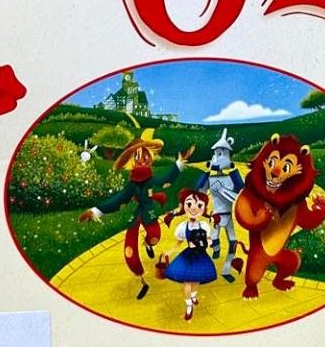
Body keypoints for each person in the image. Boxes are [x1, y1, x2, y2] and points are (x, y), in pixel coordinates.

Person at [79, 128, 192, 300]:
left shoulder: (151, 179)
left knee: (155, 237)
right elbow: (118, 199)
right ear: (132, 160)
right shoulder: (131, 184)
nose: (142, 159)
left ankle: (148, 244)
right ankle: (142, 281)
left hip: (149, 212)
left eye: (145, 155)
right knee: (130, 249)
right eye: (137, 156)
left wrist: (179, 163)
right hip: (137, 214)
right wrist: (96, 211)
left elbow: (165, 178)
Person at [157, 188, 217, 321]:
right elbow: (179, 242)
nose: (194, 209)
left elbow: (208, 239)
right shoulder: (183, 227)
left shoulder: (204, 225)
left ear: (204, 209)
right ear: (183, 206)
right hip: (188, 256)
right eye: (189, 204)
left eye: (199, 205)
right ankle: (189, 305)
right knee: (187, 281)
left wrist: (209, 241)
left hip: (201, 255)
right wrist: (170, 251)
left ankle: (193, 295)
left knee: (196, 279)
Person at [195, 128, 244, 281]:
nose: (217, 157)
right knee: (213, 241)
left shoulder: (232, 177)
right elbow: (199, 192)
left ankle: (226, 269)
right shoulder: (209, 178)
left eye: (221, 153)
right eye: (216, 153)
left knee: (233, 242)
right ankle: (213, 256)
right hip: (216, 216)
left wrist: (230, 179)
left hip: (228, 215)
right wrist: (205, 174)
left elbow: (242, 195)